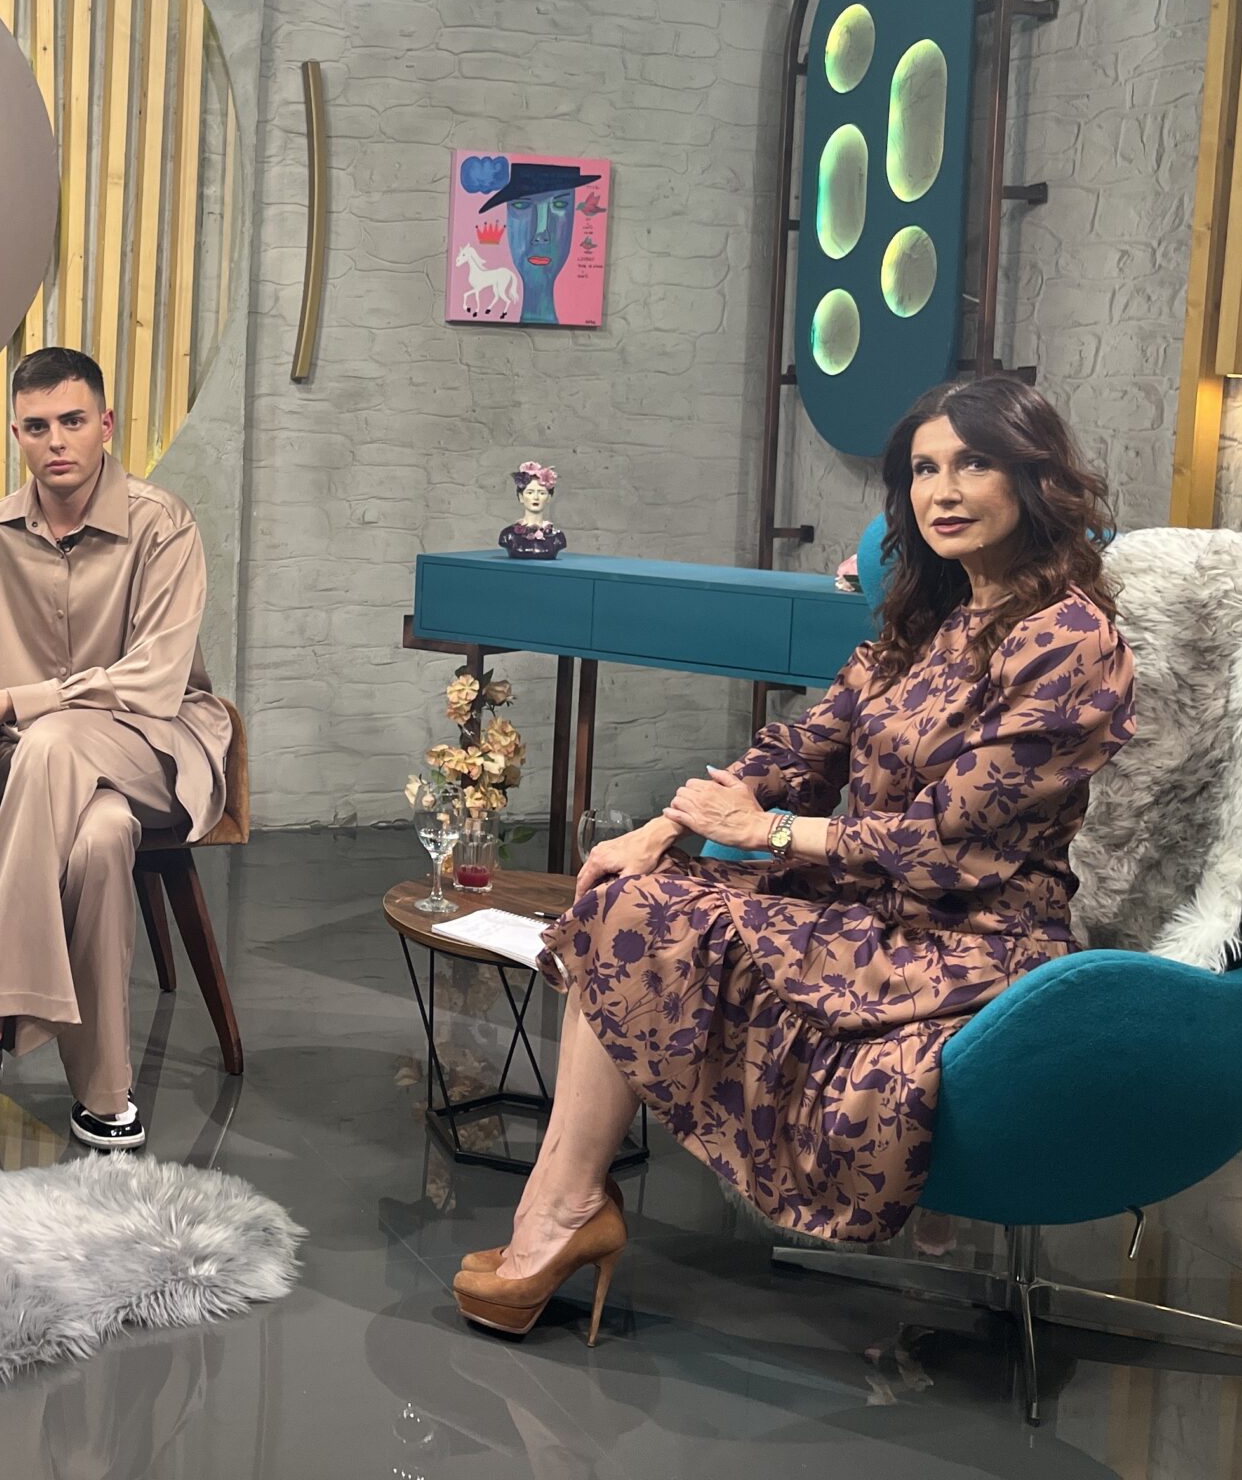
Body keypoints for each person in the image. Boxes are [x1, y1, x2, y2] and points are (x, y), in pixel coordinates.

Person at [452, 376, 1136, 1339]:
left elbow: (946, 840)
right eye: (924, 470)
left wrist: (769, 833)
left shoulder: (1071, 640)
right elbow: (805, 746)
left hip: (976, 935)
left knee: (644, 919)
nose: (942, 491)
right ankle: (562, 1204)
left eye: (973, 464)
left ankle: (561, 1213)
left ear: (1032, 478)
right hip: (872, 903)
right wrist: (666, 828)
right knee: (627, 895)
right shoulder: (931, 620)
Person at [0, 346, 232, 1153]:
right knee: (99, 835)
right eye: (37, 427)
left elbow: (153, 680)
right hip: (38, 764)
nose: (57, 441)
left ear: (106, 424)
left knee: (56, 735)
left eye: (73, 421)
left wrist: (14, 701)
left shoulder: (163, 524)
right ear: (17, 434)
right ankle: (107, 1097)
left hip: (157, 747)